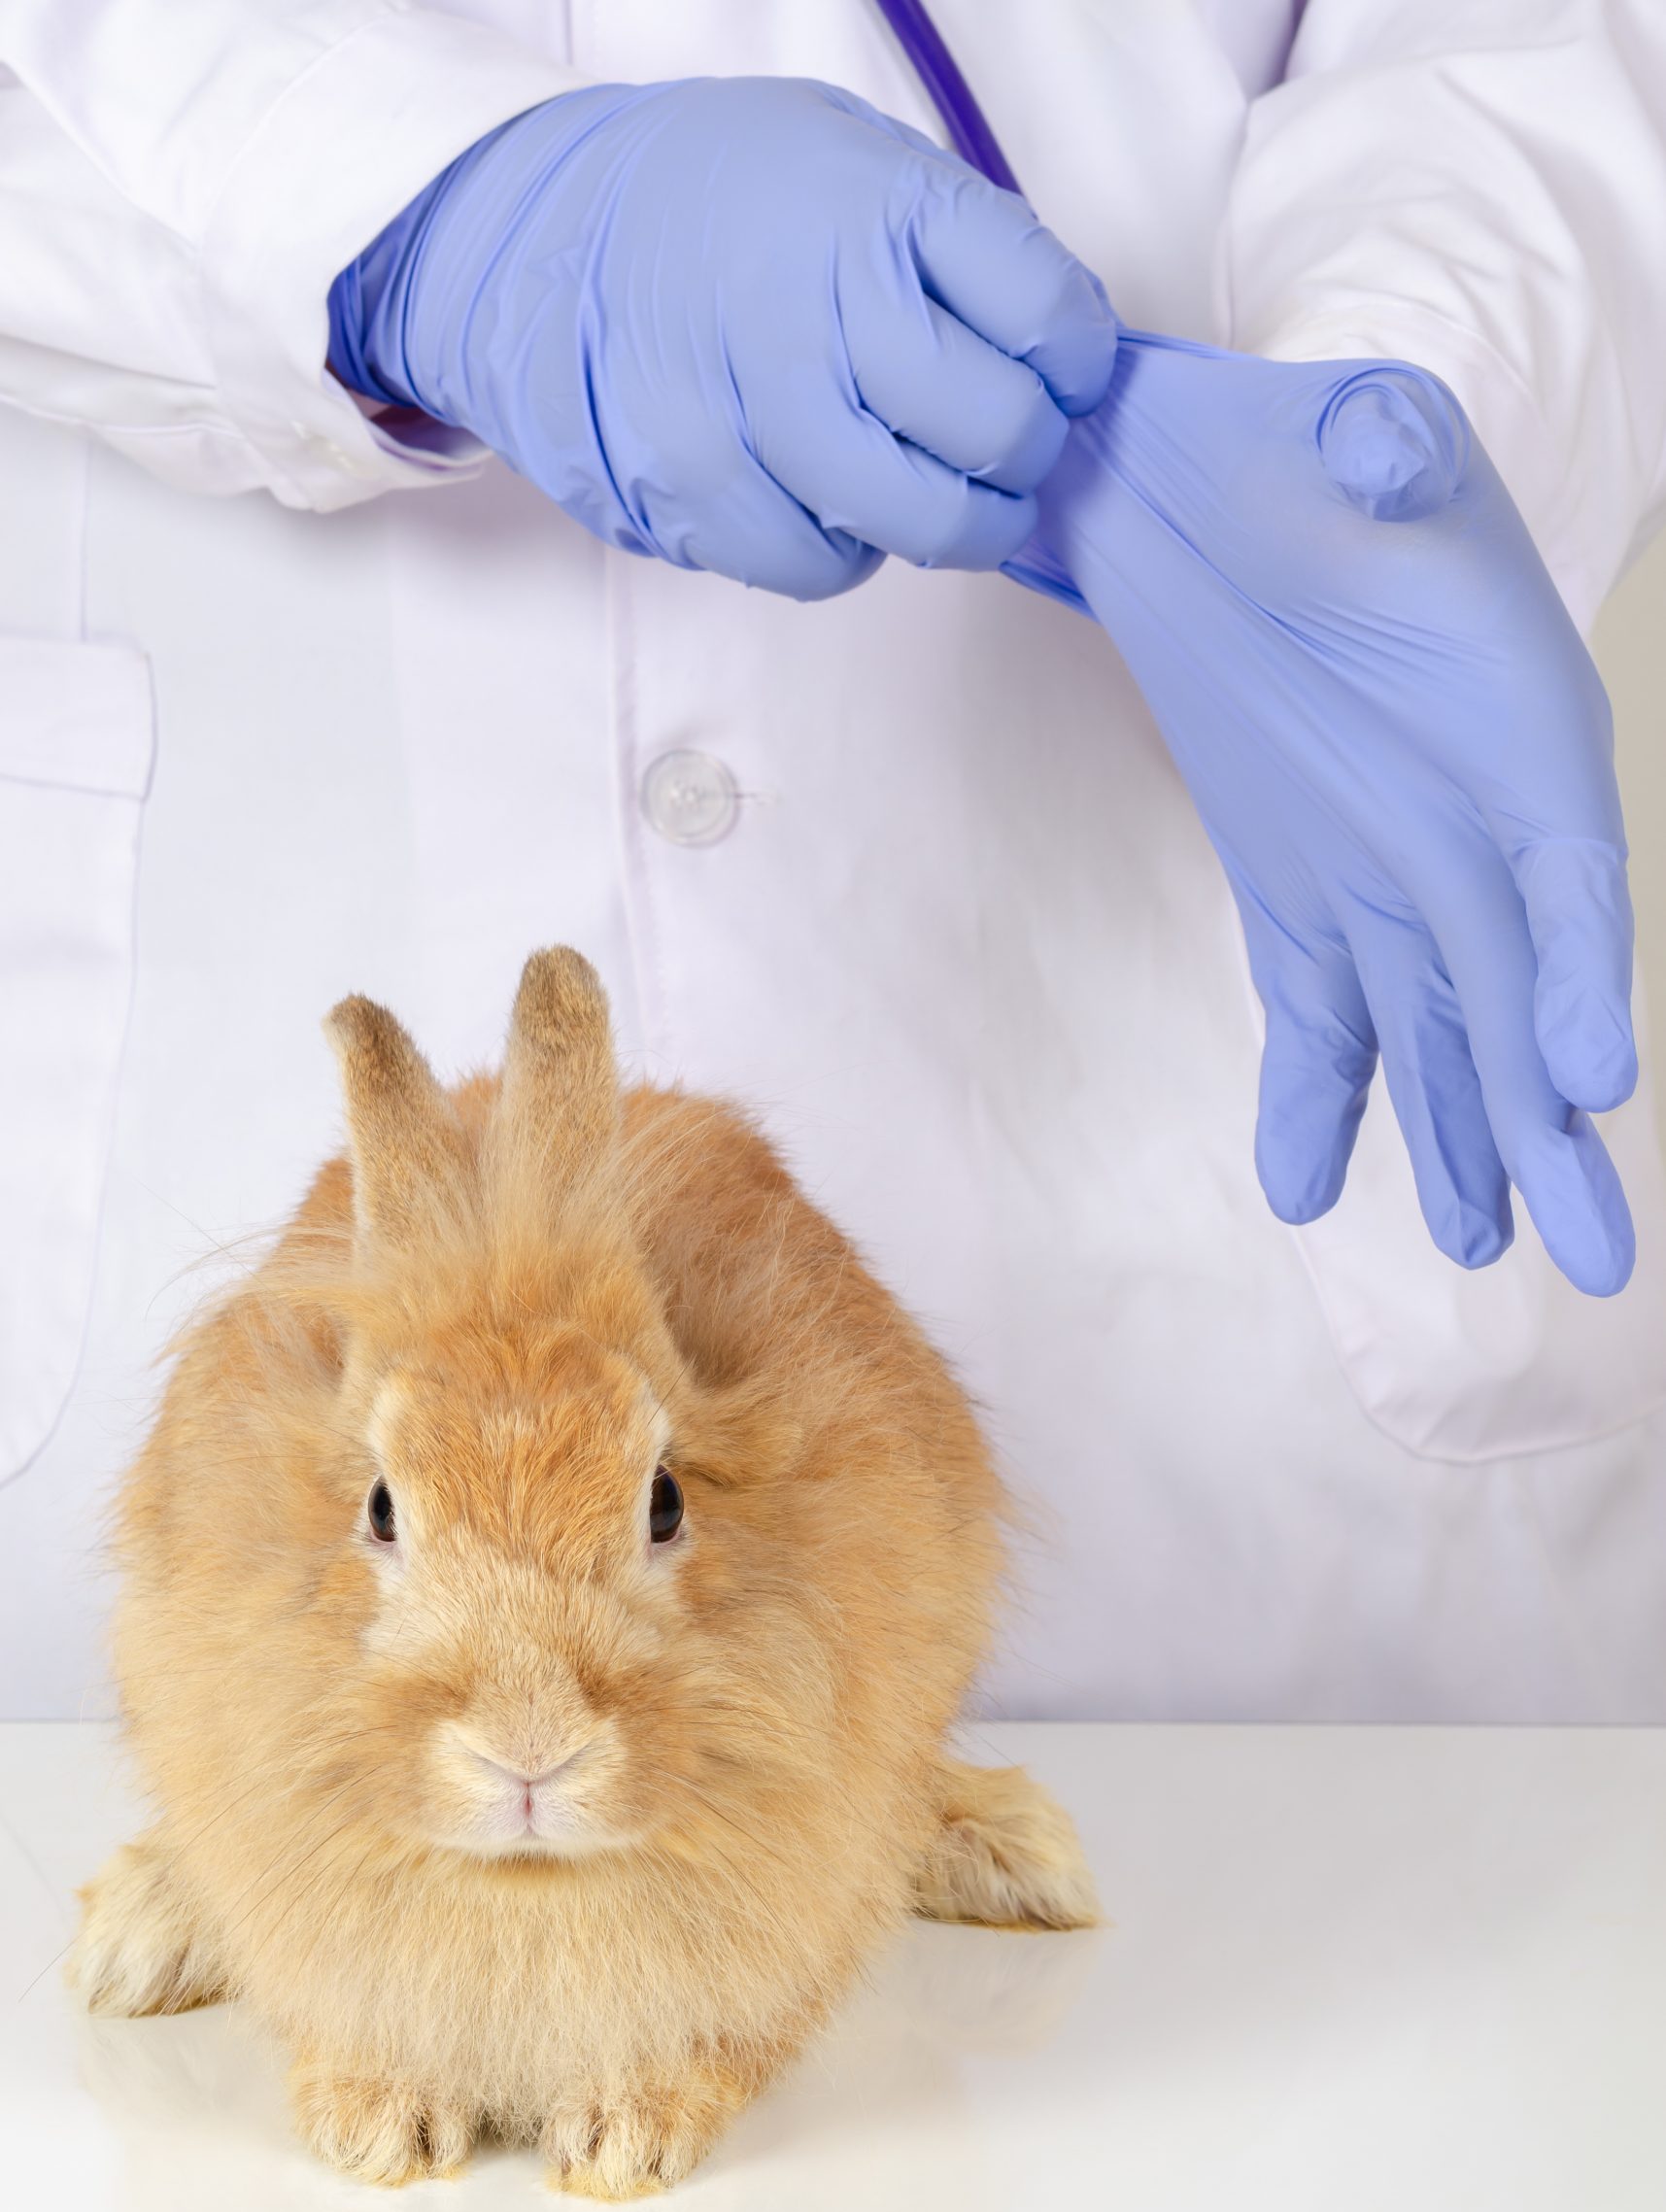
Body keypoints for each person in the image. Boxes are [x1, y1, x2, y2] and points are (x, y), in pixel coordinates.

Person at [2, 0, 1664, 1722]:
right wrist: (425, 213)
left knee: (1382, 1945)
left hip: (1250, 1443)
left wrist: (1401, 391)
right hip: (251, 1337)